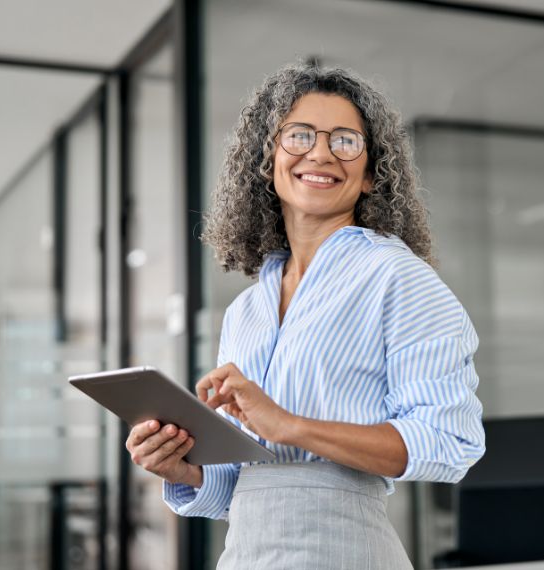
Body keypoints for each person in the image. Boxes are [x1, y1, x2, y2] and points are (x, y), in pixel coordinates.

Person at [124, 63, 486, 569]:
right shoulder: (247, 309)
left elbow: (450, 442)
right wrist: (186, 469)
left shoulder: (397, 278)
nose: (320, 153)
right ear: (267, 160)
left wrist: (291, 425)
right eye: (299, 136)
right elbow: (254, 484)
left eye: (345, 141)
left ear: (370, 175)